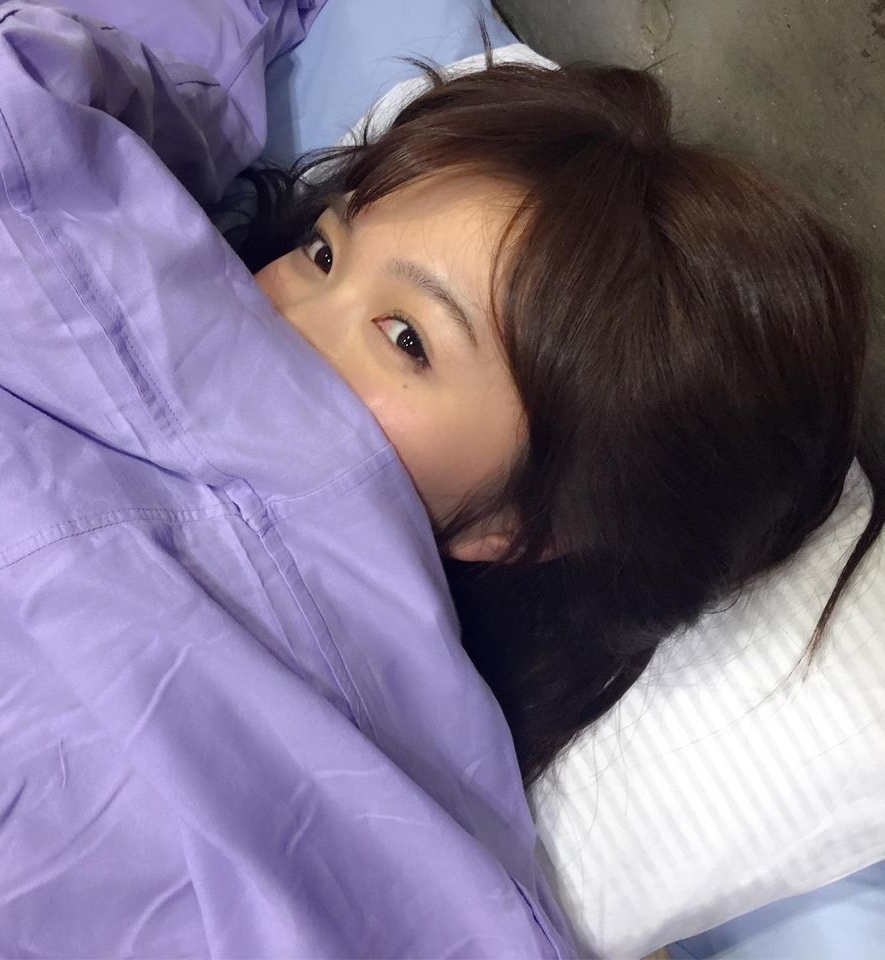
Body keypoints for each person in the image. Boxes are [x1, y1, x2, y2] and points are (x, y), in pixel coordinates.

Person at [227, 59, 885, 783]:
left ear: (519, 532)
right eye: (324, 253)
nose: (282, 316)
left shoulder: (350, 762)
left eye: (407, 338)